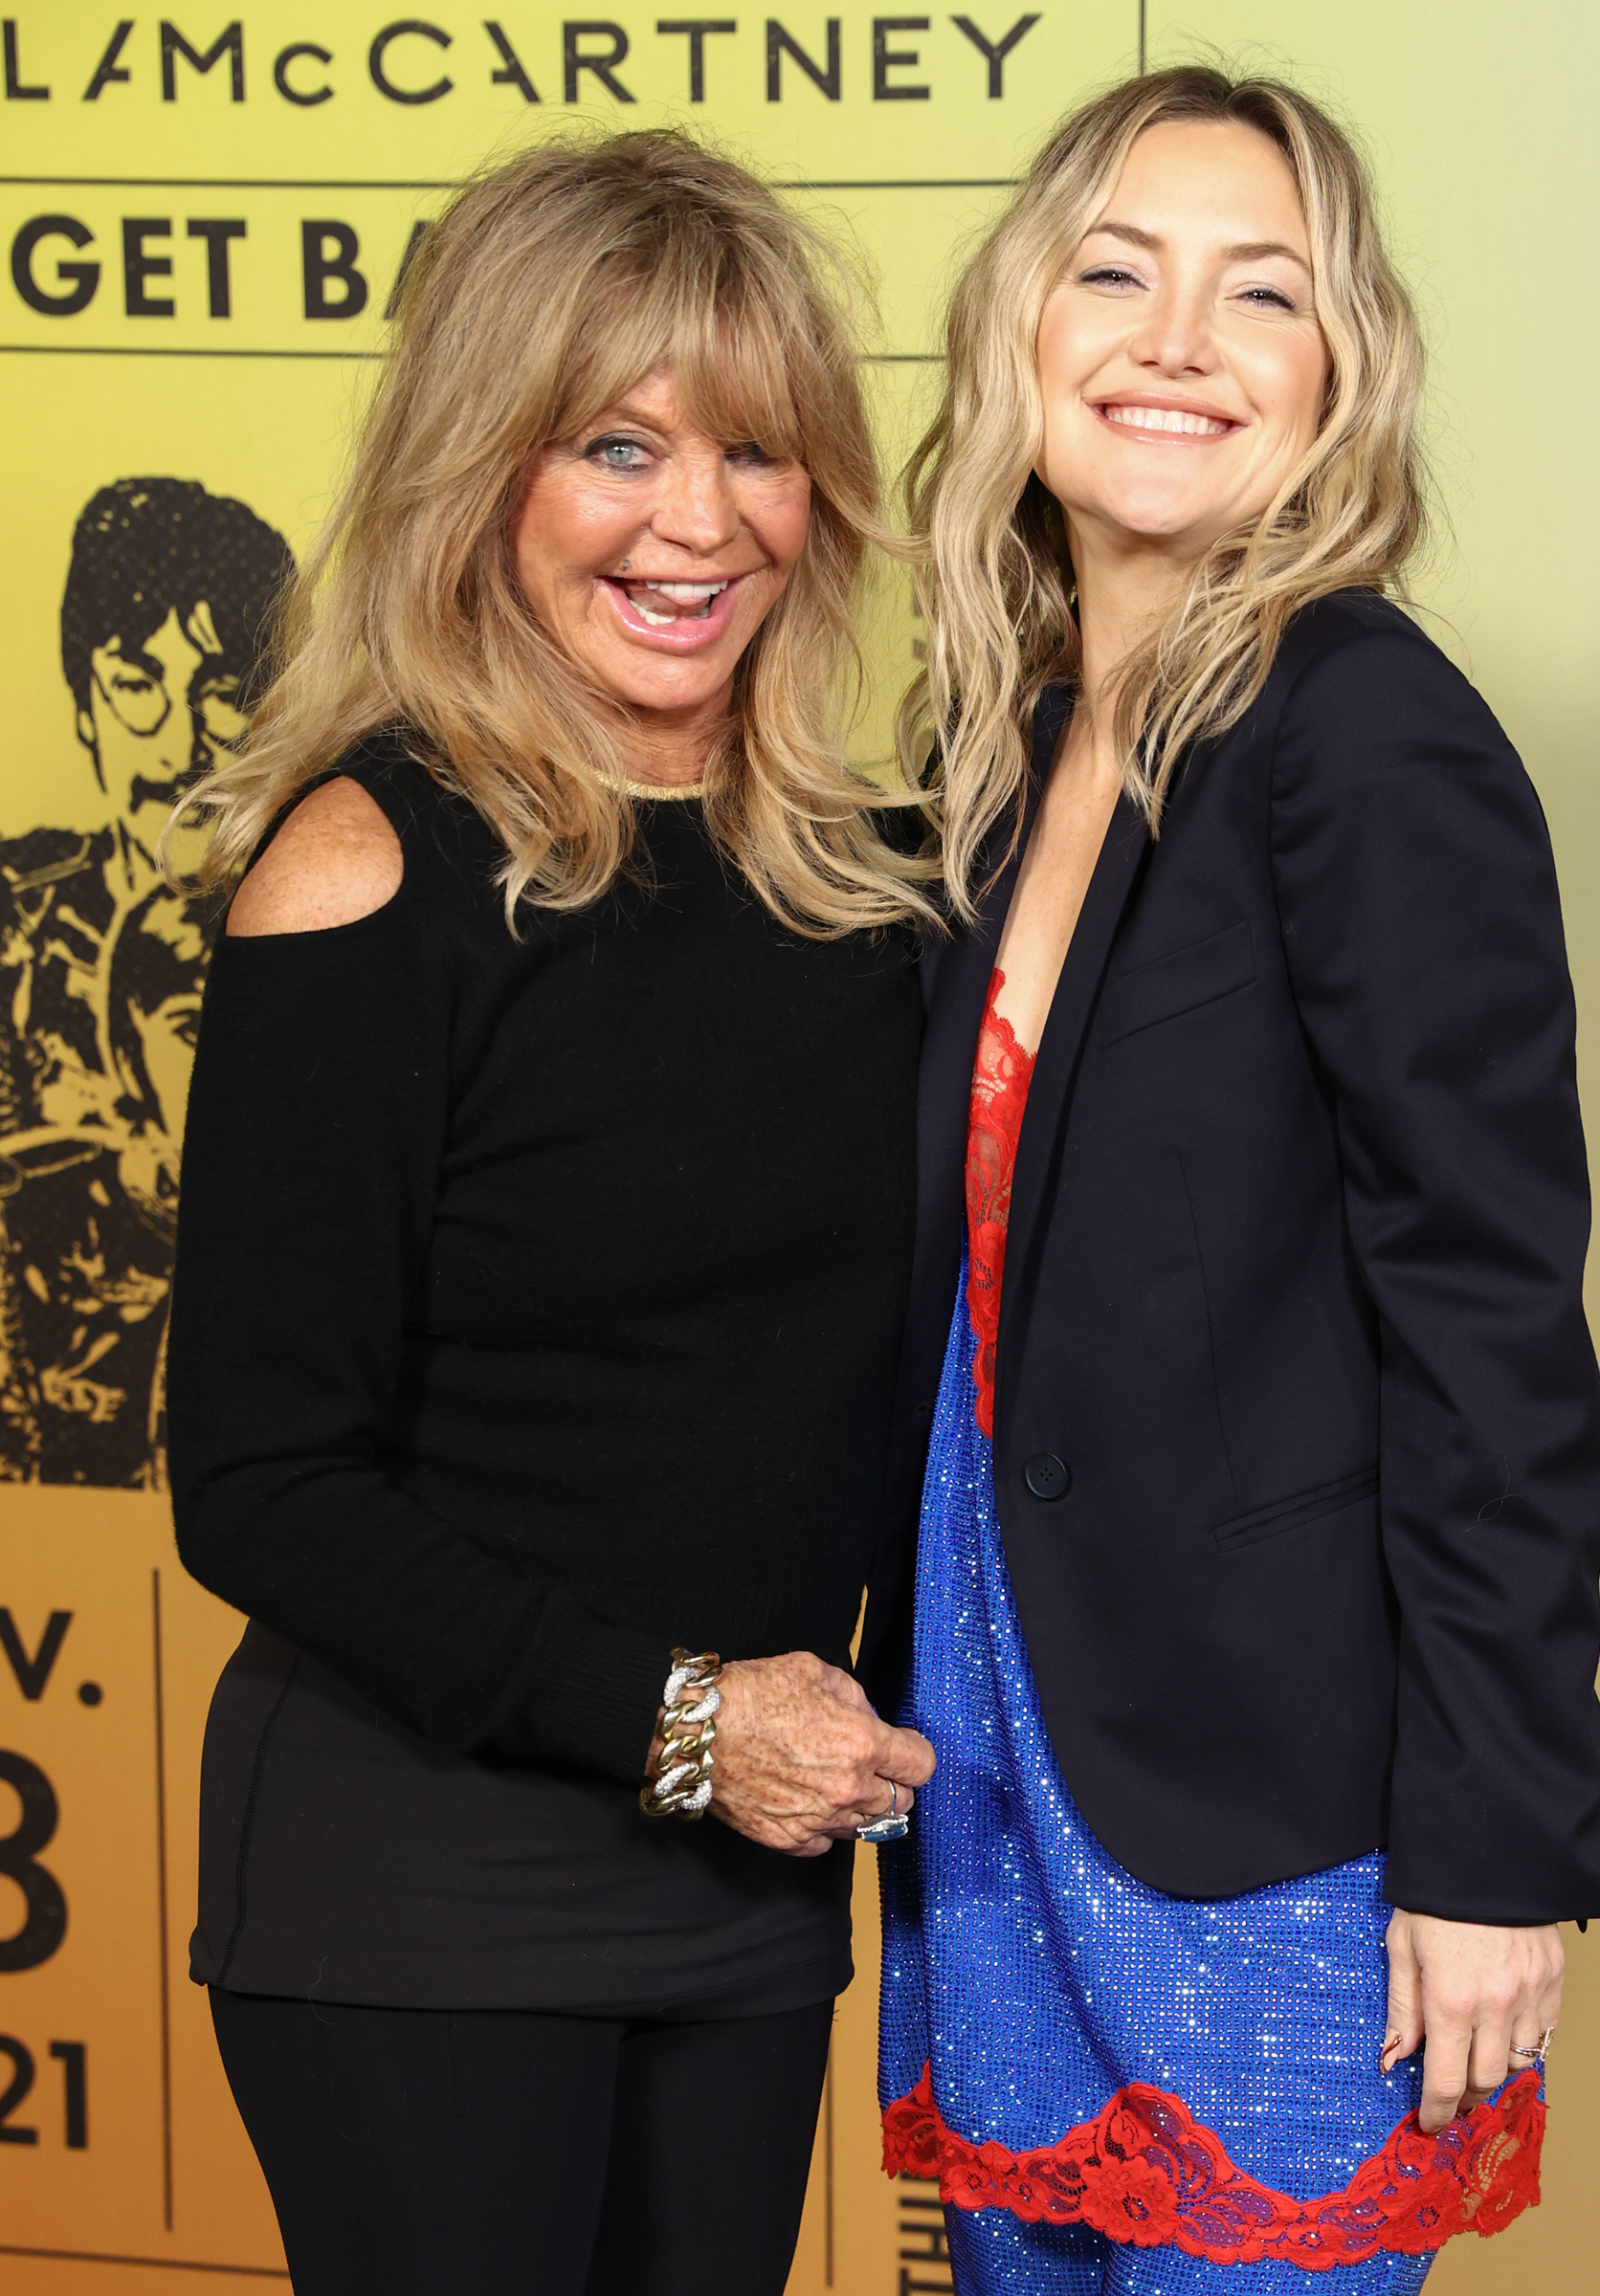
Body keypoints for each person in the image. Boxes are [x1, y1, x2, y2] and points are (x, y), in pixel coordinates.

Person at [868, 67, 1600, 2293]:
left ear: (1338, 381)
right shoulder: (1004, 747)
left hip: (1266, 1812)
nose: (1171, 340)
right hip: (999, 1753)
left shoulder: (1364, 733)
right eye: (1112, 271)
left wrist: (1495, 1833)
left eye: (1260, 294)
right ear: (1019, 330)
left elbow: (1489, 1319)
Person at [166, 129, 935, 2296]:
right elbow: (259, 1477)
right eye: (614, 441)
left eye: (758, 448)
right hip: (424, 1870)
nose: (697, 522)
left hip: (754, 1882)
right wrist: (688, 1715)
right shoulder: (369, 864)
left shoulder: (866, 883)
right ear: (482, 465)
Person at [0, 477, 292, 1485]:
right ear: (83, 700)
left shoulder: (373, 922)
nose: (178, 743)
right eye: (133, 684)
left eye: (219, 691)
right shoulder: (13, 923)